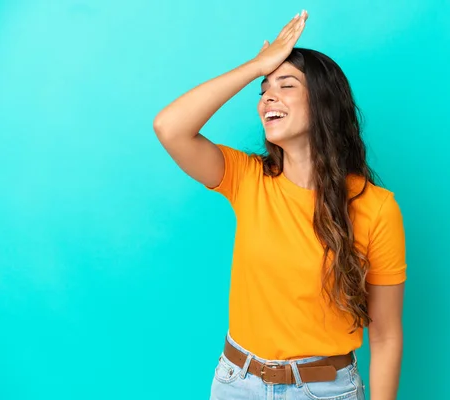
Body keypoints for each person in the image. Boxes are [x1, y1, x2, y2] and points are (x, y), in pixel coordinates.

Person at [153, 10, 406, 400]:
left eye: (285, 85)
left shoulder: (376, 207)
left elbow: (387, 335)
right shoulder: (247, 178)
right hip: (236, 384)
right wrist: (256, 66)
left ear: (323, 103)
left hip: (326, 391)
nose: (268, 96)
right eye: (263, 89)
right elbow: (170, 127)